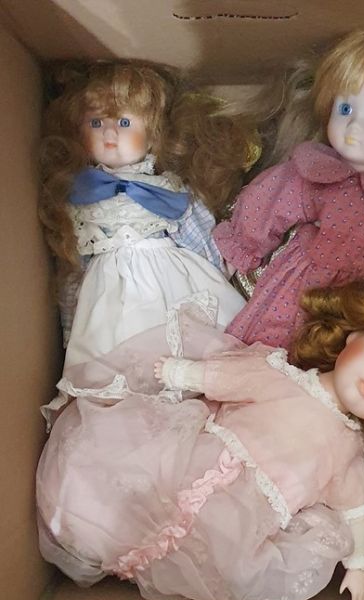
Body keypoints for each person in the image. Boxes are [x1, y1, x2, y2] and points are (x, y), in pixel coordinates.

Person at [36, 278, 364, 600]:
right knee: (142, 481)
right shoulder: (280, 375)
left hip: (246, 519)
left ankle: (127, 551)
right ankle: (89, 524)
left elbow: (358, 509)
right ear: (355, 336)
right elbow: (230, 379)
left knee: (231, 567)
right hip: (198, 457)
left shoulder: (349, 451)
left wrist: (359, 565)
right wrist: (181, 373)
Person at [213, 26, 364, 350]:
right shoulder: (314, 171)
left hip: (362, 300)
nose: (354, 126)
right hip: (297, 280)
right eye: (345, 109)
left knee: (341, 357)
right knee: (265, 342)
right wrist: (244, 248)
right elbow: (267, 203)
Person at [39, 60, 255, 370]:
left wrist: (218, 271)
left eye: (124, 122)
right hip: (109, 293)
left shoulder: (168, 188)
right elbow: (72, 266)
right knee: (117, 363)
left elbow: (198, 234)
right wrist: (71, 325)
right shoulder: (79, 196)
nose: (110, 133)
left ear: (152, 134)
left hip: (172, 276)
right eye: (96, 123)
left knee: (200, 346)